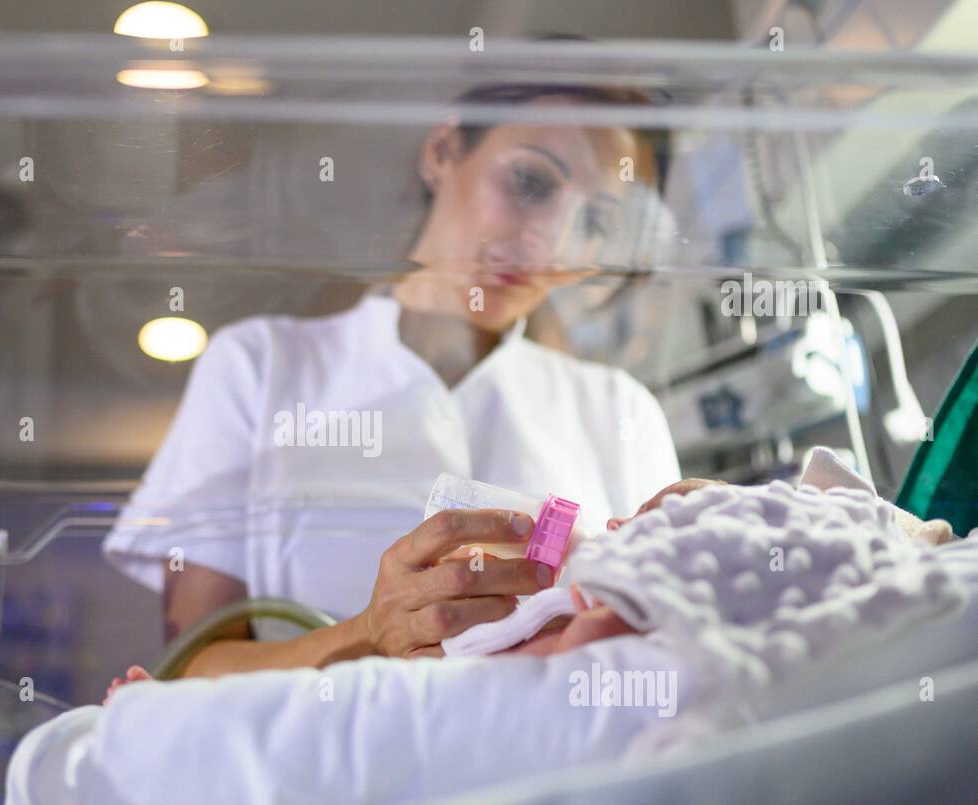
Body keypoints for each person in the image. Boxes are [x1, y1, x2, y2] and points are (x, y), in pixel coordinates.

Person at [104, 81, 681, 677]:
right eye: (530, 183)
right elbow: (190, 668)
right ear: (442, 150)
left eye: (594, 220)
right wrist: (370, 634)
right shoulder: (259, 365)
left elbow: (666, 654)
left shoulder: (619, 409)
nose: (552, 243)